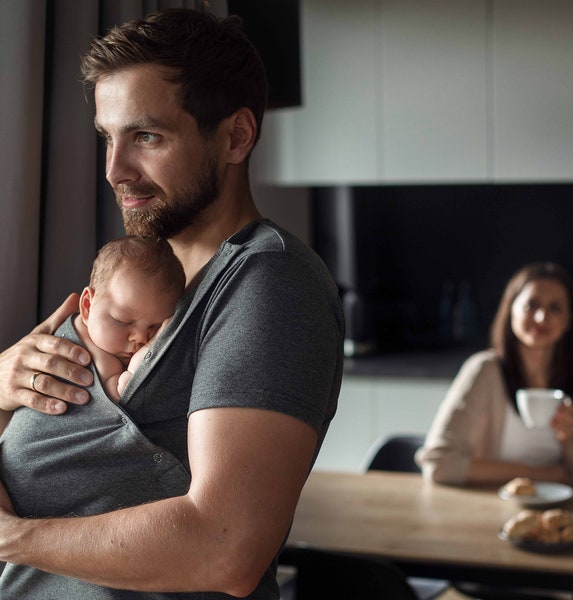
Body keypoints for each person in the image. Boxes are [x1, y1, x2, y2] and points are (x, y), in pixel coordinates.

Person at [0, 7, 344, 599]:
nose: (115, 170)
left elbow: (224, 547)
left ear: (235, 136)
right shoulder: (137, 277)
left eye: (147, 136)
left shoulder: (267, 283)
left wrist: (9, 538)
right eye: (109, 137)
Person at [416, 262, 573, 488]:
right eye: (531, 305)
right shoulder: (485, 371)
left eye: (555, 308)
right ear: (510, 309)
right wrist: (539, 475)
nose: (542, 318)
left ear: (569, 320)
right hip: (491, 507)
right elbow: (439, 464)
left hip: (563, 511)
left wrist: (570, 439)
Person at [72, 235, 186, 402]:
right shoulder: (93, 354)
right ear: (87, 306)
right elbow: (124, 393)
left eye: (155, 327)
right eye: (123, 321)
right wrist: (148, 350)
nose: (140, 338)